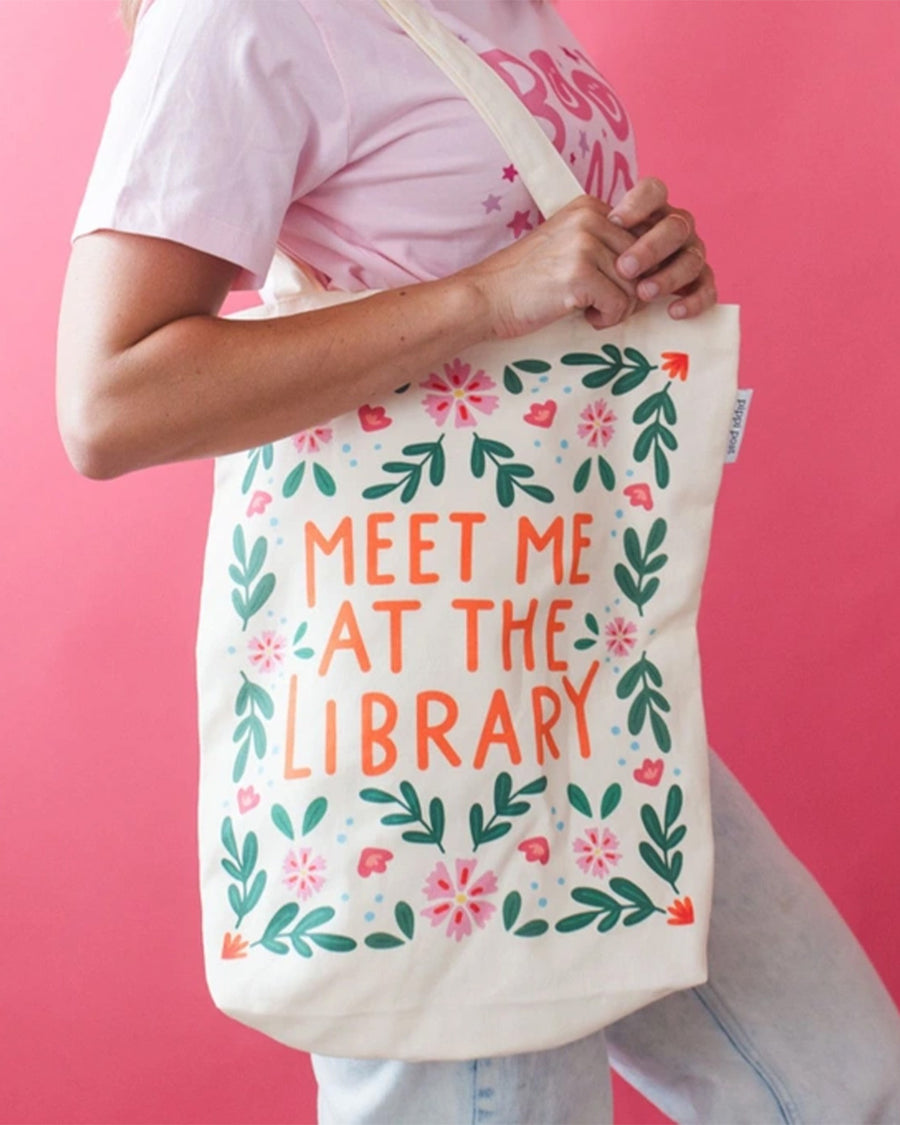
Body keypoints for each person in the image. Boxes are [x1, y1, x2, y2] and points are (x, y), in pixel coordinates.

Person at [57, 1, 900, 1122]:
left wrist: (631, 267)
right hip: (420, 725)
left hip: (580, 687)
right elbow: (109, 400)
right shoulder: (244, 16)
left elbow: (520, 267)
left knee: (846, 1083)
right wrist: (486, 298)